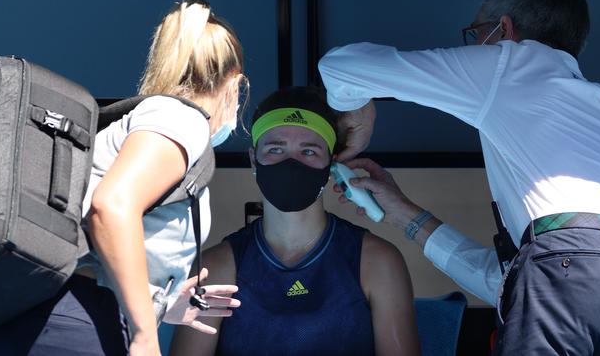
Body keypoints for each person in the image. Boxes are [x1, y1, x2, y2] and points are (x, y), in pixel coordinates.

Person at [317, 0, 600, 354]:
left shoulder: (507, 63)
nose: (474, 46)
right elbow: (511, 283)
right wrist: (403, 213)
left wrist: (358, 111)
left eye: (476, 34)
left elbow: (340, 66)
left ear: (502, 30)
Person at [0, 0, 246, 356]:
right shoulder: (183, 120)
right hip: (78, 318)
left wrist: (161, 303)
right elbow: (112, 207)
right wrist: (145, 334)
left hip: (43, 315)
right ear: (235, 83)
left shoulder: (147, 121)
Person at [169, 87, 421, 356]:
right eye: (276, 149)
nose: (291, 163)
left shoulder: (377, 261)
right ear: (254, 159)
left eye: (309, 151)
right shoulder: (216, 268)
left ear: (332, 164)